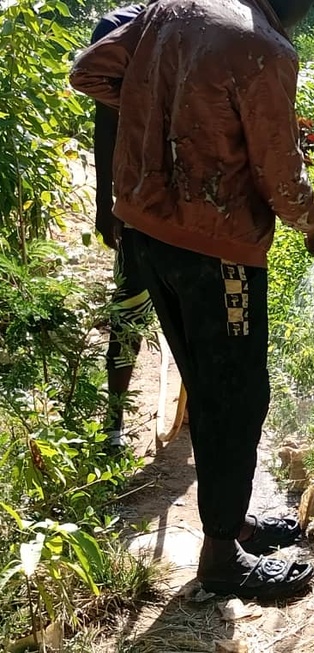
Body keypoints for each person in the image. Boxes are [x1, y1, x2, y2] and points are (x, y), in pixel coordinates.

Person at [70, 0, 314, 599]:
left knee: (203, 372)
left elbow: (88, 72)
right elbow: (278, 170)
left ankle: (232, 520)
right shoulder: (265, 51)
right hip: (217, 250)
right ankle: (220, 557)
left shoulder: (174, 9)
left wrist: (161, 114)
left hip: (148, 231)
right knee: (237, 395)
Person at [90, 3, 148, 449]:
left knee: (178, 312)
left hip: (179, 202)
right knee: (129, 309)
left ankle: (196, 420)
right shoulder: (119, 27)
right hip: (139, 200)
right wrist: (104, 202)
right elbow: (106, 123)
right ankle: (113, 422)